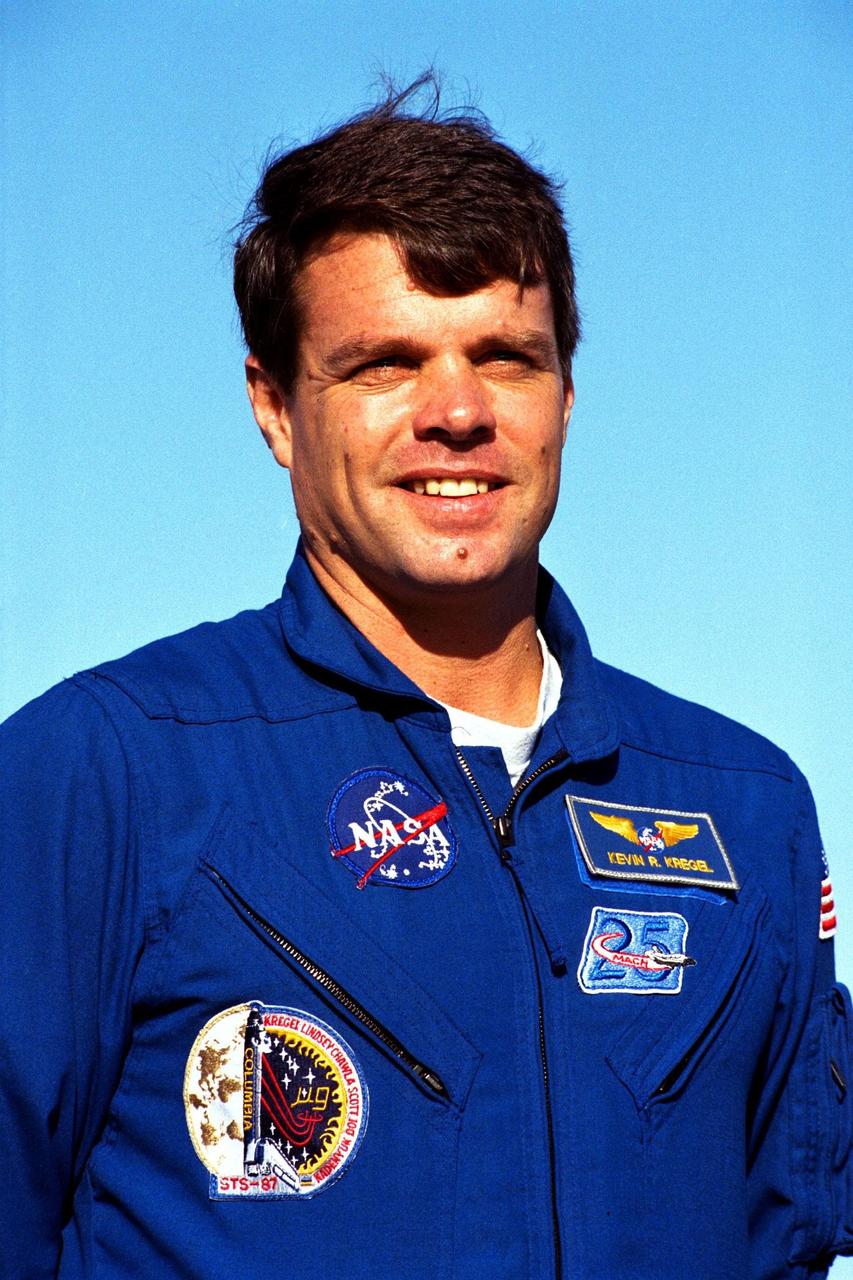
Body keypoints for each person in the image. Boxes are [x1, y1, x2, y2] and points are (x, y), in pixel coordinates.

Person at [1, 77, 850, 1280]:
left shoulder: (746, 804)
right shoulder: (104, 768)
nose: (456, 412)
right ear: (275, 407)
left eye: (505, 356)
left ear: (565, 394)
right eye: (384, 363)